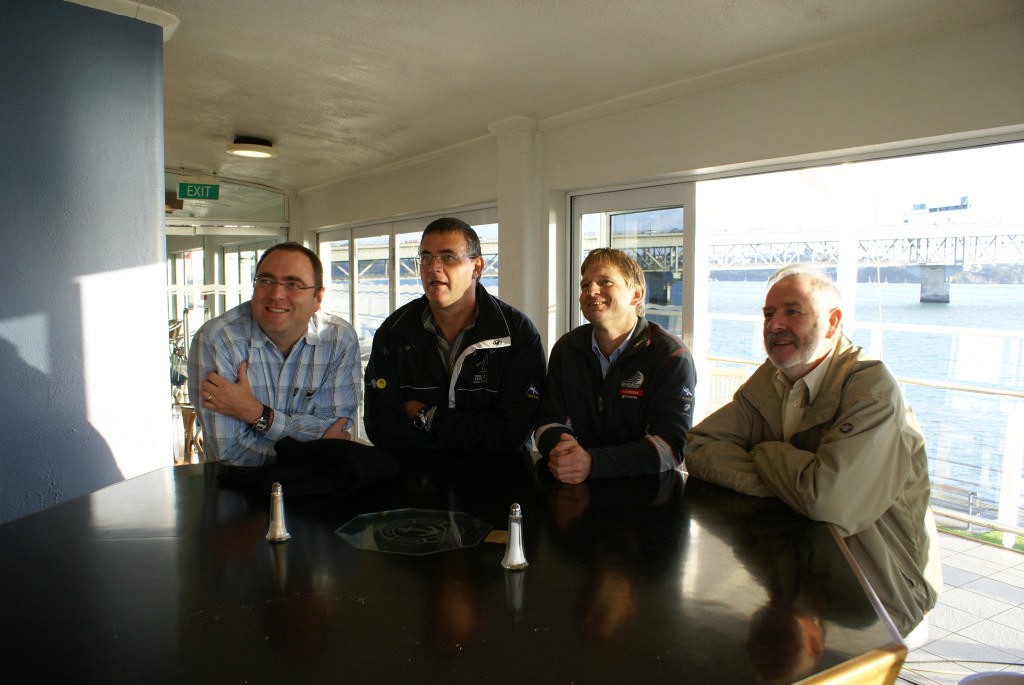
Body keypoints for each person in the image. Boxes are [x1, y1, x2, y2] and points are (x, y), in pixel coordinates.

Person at [684, 264, 942, 640]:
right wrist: (793, 486)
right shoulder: (772, 379)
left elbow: (828, 500)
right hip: (798, 578)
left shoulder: (871, 389)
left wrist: (767, 452)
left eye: (793, 311)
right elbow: (700, 446)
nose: (774, 324)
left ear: (833, 322)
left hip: (874, 594)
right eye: (768, 314)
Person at [362, 217, 546, 456]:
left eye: (448, 257)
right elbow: (381, 428)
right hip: (416, 481)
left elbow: (512, 433)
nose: (433, 267)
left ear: (477, 268)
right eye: (426, 257)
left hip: (498, 480)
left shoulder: (515, 332)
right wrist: (470, 435)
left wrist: (426, 416)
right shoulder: (394, 333)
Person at [187, 242, 360, 467]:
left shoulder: (339, 339)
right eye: (266, 281)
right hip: (239, 489)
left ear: (317, 298)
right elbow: (229, 452)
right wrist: (312, 451)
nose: (277, 294)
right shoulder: (218, 340)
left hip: (320, 487)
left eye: (293, 284)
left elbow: (336, 430)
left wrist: (256, 413)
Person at [534, 248, 696, 484]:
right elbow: (547, 421)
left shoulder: (670, 356)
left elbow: (670, 447)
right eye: (585, 285)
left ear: (636, 295)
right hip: (575, 487)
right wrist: (564, 449)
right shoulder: (567, 349)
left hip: (648, 498)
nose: (591, 291)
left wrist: (592, 462)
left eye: (605, 282)